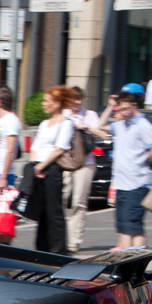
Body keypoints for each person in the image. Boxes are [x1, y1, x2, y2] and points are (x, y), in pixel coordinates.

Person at [100, 91, 152, 249]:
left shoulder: (143, 125)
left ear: (134, 105)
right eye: (121, 110)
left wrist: (142, 162)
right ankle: (126, 263)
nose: (124, 112)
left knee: (133, 226)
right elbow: (100, 126)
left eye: (127, 108)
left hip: (138, 182)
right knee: (123, 226)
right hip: (122, 182)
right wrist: (110, 107)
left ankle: (135, 263)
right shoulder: (121, 125)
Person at [28, 85, 74, 254]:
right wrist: (34, 165)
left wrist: (42, 165)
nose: (43, 104)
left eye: (47, 101)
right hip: (38, 168)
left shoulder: (66, 123)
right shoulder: (44, 124)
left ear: (57, 103)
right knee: (41, 210)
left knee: (54, 210)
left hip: (52, 168)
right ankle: (41, 249)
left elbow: (60, 148)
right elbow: (35, 146)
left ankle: (58, 250)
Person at [62, 87, 102, 252]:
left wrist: (83, 126)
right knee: (62, 198)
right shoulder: (63, 114)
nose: (77, 103)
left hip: (85, 162)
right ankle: (60, 238)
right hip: (64, 161)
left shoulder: (90, 115)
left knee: (79, 201)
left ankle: (74, 241)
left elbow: (101, 133)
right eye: (73, 99)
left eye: (79, 99)